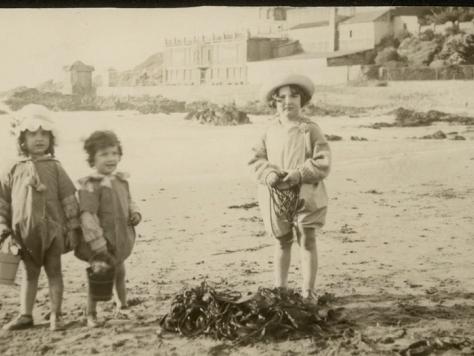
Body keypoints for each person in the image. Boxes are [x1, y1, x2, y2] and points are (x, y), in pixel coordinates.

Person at [249, 74, 331, 301]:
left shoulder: (309, 129)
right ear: (274, 103)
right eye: (281, 97)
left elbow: (323, 160)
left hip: (306, 193)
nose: (288, 101)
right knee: (282, 241)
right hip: (276, 194)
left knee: (307, 238)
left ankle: (308, 290)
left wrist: (300, 173)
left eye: (294, 95)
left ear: (302, 99)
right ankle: (281, 288)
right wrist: (269, 174)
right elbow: (256, 159)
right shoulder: (268, 131)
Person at [0, 104, 81, 331]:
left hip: (53, 230)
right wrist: (3, 230)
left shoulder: (55, 167)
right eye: (33, 134)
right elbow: (3, 202)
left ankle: (56, 314)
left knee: (54, 271)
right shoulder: (12, 168)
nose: (39, 139)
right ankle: (25, 314)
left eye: (44, 134)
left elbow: (68, 199)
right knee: (29, 273)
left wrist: (74, 228)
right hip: (24, 233)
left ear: (51, 139)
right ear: (21, 139)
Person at [75, 130, 141, 328]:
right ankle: (91, 313)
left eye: (114, 153)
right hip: (100, 242)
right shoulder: (90, 186)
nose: (110, 158)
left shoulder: (121, 180)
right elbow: (87, 216)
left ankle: (122, 306)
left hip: (119, 238)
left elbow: (129, 200)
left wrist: (135, 213)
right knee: (99, 275)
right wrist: (98, 243)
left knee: (120, 272)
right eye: (104, 154)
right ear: (92, 159)